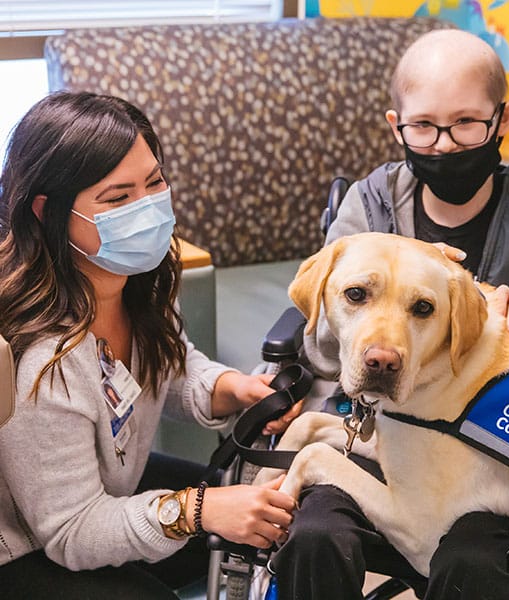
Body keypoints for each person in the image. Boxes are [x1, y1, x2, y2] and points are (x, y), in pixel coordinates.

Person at [270, 28, 509, 600]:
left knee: (469, 563)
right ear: (397, 125)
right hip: (368, 422)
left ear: (503, 119)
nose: (444, 144)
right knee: (316, 534)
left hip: (500, 451)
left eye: (466, 122)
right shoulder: (367, 209)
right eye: (424, 126)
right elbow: (320, 344)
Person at [0, 91, 302, 598]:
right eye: (117, 199)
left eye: (154, 183)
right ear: (47, 212)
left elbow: (170, 364)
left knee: (256, 523)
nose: (146, 209)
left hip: (102, 487)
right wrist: (198, 511)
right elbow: (72, 531)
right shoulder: (41, 359)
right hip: (26, 545)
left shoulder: (131, 278)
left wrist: (231, 388)